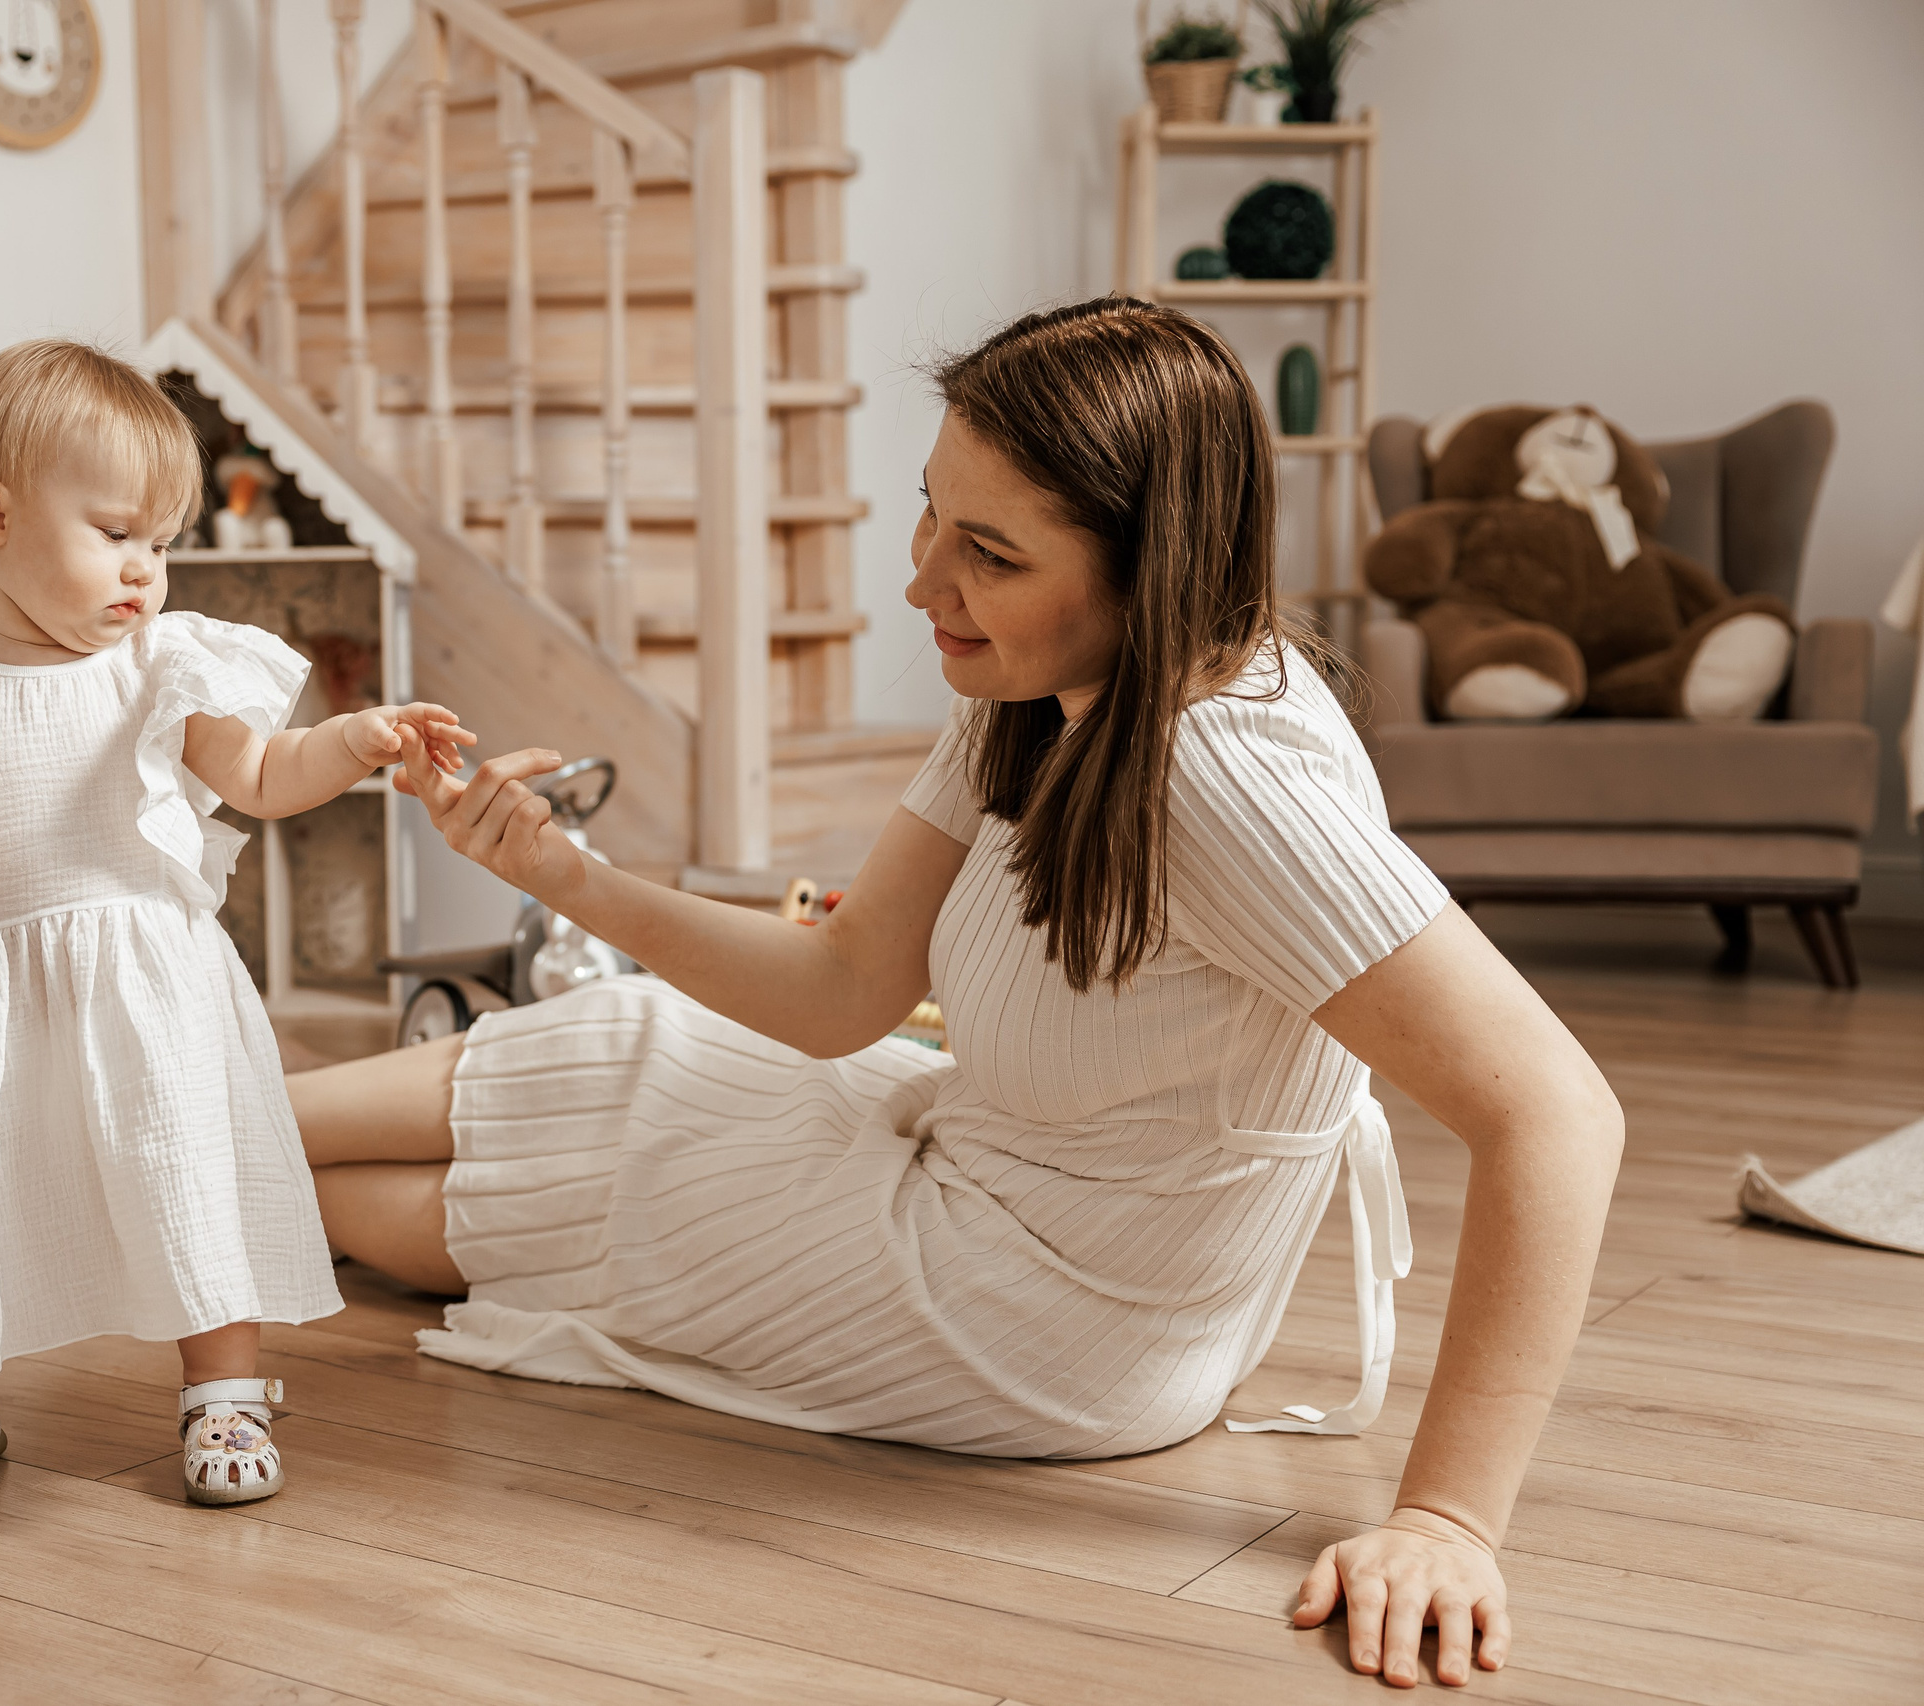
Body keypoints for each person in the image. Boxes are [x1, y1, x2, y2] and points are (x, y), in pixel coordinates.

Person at [289, 299, 1623, 1687]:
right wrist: (568, 877)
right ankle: (214, 1123)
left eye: (990, 553)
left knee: (602, 1188)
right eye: (932, 512)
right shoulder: (1036, 680)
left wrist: (1447, 1519)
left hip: (1053, 1317)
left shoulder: (1222, 778)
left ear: (1152, 564)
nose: (926, 582)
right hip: (975, 1150)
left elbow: (1556, 1113)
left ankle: (204, 1163)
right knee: (635, 1038)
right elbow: (843, 985)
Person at [0, 340, 471, 1507]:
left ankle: (224, 1388)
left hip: (151, 984)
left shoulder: (161, 665)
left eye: (162, 543)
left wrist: (352, 740)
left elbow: (261, 773)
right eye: (115, 532)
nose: (144, 571)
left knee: (183, 1169)